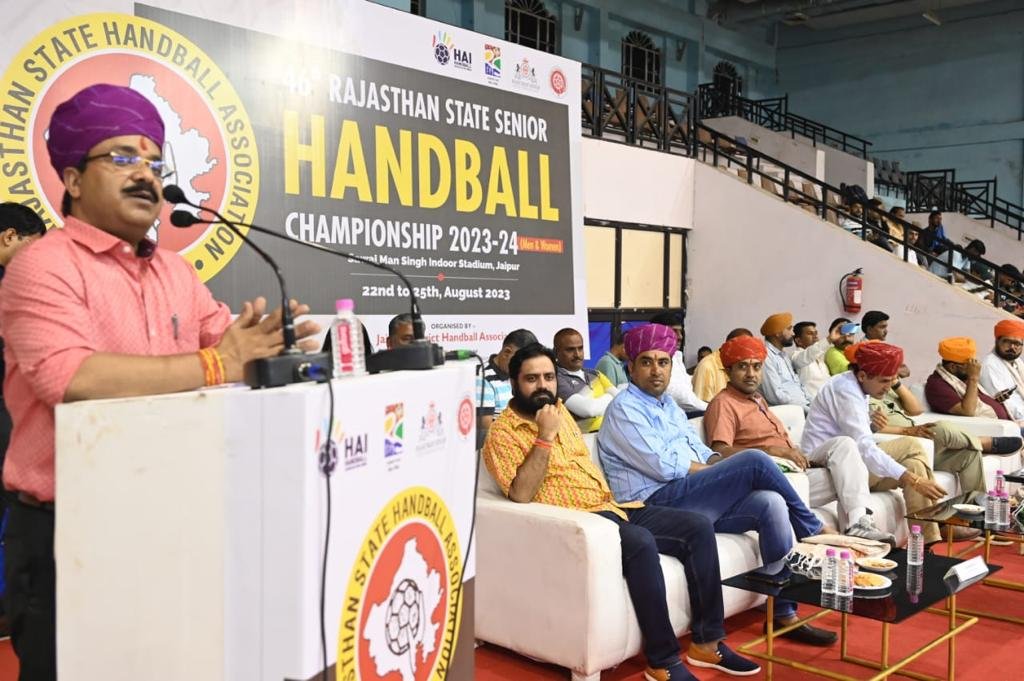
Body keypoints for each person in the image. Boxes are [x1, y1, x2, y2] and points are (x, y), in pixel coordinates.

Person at [0, 84, 321, 680]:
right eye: (123, 157)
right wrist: (220, 363)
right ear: (72, 179)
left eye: (154, 162)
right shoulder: (42, 266)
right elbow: (70, 377)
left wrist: (268, 344)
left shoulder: (174, 272)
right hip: (68, 532)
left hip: (172, 519)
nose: (145, 175)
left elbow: (224, 337)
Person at [482, 343, 760, 680]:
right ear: (514, 383)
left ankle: (707, 642)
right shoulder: (503, 433)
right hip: (580, 522)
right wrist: (544, 436)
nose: (543, 385)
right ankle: (662, 661)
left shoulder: (559, 411)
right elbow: (521, 494)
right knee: (640, 541)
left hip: (613, 506)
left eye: (549, 377)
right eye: (532, 379)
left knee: (697, 527)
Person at [598, 326, 836, 647]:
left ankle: (784, 612)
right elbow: (663, 466)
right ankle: (811, 528)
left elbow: (698, 450)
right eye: (647, 362)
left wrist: (717, 467)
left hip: (689, 494)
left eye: (663, 362)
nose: (656, 370)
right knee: (754, 460)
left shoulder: (668, 406)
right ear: (631, 368)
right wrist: (722, 472)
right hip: (653, 504)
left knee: (770, 502)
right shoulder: (624, 408)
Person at [704, 335, 893, 544]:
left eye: (757, 367)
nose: (751, 374)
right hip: (771, 480)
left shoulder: (756, 399)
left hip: (796, 467)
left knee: (845, 444)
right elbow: (720, 453)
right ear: (728, 370)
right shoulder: (723, 403)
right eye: (742, 367)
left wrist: (794, 454)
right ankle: (855, 529)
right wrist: (772, 451)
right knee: (850, 477)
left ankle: (858, 525)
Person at [856, 341, 1005, 541]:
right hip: (890, 448)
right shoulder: (854, 394)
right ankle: (982, 442)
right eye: (885, 377)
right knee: (934, 432)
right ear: (863, 374)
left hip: (912, 447)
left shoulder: (883, 387)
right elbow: (864, 439)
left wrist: (896, 384)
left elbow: (916, 410)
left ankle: (970, 519)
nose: (888, 382)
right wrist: (906, 431)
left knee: (967, 455)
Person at [803, 343, 948, 546]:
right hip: (825, 467)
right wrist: (913, 480)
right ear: (863, 376)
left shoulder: (858, 387)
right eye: (884, 381)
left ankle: (926, 543)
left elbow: (857, 437)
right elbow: (863, 447)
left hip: (849, 465)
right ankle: (860, 524)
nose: (888, 388)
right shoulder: (845, 390)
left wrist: (871, 426)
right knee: (911, 445)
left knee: (914, 465)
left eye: (892, 380)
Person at [925, 337, 1018, 425]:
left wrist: (995, 400)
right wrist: (973, 378)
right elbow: (967, 411)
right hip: (991, 429)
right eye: (970, 365)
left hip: (1010, 424)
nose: (975, 368)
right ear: (953, 367)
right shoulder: (937, 385)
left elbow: (977, 403)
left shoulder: (959, 377)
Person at [553, 328, 619, 432]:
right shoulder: (555, 378)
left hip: (610, 433)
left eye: (580, 348)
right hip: (582, 438)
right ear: (556, 352)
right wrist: (609, 397)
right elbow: (588, 410)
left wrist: (602, 404)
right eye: (570, 350)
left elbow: (621, 400)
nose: (577, 354)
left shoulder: (595, 374)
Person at [476, 328, 538, 433]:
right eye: (521, 362)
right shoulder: (482, 378)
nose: (525, 367)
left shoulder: (521, 374)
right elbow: (485, 431)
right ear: (506, 352)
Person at [649, 311, 708, 416]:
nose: (680, 336)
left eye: (680, 332)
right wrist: (709, 407)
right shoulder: (654, 357)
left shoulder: (675, 356)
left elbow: (684, 385)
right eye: (674, 331)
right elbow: (678, 395)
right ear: (659, 334)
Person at [759, 312, 809, 411]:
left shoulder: (783, 355)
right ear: (777, 333)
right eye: (789, 329)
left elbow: (798, 385)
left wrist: (813, 404)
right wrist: (807, 410)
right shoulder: (765, 356)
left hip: (803, 408)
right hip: (789, 413)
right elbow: (775, 396)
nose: (793, 334)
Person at [980, 320, 1024, 424]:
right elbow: (1005, 404)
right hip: (1013, 421)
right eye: (1007, 342)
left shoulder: (1018, 362)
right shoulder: (990, 365)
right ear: (997, 341)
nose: (1012, 347)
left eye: (1017, 343)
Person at [691, 328, 753, 402]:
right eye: (745, 349)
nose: (748, 353)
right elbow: (701, 406)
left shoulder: (740, 364)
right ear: (730, 347)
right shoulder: (707, 366)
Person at [790, 321, 838, 401]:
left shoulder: (819, 358)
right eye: (810, 333)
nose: (815, 336)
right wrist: (829, 339)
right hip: (811, 404)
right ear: (798, 341)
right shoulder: (795, 356)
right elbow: (809, 354)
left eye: (816, 333)